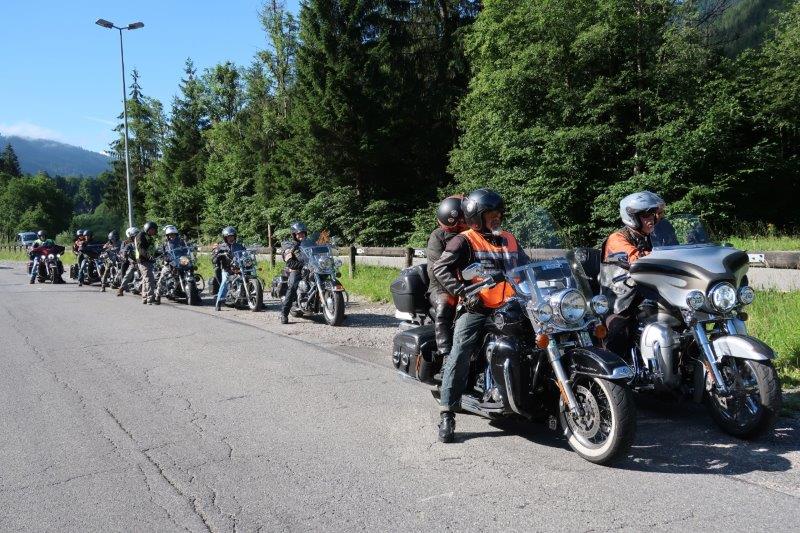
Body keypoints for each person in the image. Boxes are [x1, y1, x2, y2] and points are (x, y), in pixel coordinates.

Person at [431, 188, 528, 443]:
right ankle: (447, 412)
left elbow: (527, 267)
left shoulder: (509, 238)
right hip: (479, 307)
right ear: (476, 218)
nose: (497, 218)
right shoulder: (464, 240)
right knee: (460, 351)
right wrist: (462, 291)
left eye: (499, 213)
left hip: (511, 305)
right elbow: (440, 267)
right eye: (491, 214)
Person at [599, 190, 665, 356]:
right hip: (621, 302)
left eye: (654, 214)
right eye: (645, 215)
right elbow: (636, 259)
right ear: (632, 217)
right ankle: (619, 367)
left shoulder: (655, 236)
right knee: (619, 333)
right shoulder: (617, 238)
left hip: (651, 295)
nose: (651, 219)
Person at [426, 195, 466, 361]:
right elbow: (436, 270)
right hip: (442, 286)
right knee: (445, 304)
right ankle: (446, 355)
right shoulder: (438, 236)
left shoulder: (473, 234)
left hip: (470, 283)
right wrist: (458, 288)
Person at [279, 221, 309, 324]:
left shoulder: (309, 244)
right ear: (294, 235)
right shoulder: (289, 245)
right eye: (298, 234)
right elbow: (289, 262)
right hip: (296, 269)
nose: (301, 235)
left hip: (311, 268)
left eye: (303, 233)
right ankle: (284, 314)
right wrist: (301, 265)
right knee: (292, 287)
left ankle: (337, 310)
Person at [212, 226, 246, 311]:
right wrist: (217, 255)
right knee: (225, 281)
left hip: (239, 268)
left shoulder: (240, 246)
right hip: (227, 269)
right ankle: (219, 301)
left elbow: (245, 254)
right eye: (229, 237)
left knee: (251, 276)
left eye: (232, 236)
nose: (231, 238)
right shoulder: (221, 247)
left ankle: (258, 300)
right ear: (225, 238)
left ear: (235, 237)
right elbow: (214, 259)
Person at [156, 225, 187, 298]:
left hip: (181, 260)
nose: (171, 236)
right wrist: (165, 257)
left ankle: (195, 293)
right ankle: (157, 295)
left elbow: (186, 250)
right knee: (163, 277)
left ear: (176, 234)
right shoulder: (165, 243)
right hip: (170, 262)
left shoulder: (181, 242)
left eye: (173, 234)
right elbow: (161, 252)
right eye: (170, 235)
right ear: (167, 236)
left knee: (190, 271)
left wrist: (189, 252)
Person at [135, 221, 160, 305]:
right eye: (153, 229)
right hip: (143, 260)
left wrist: (161, 253)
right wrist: (148, 256)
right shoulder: (140, 235)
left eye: (155, 230)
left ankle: (145, 298)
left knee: (145, 279)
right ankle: (150, 298)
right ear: (147, 229)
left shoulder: (149, 237)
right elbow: (141, 249)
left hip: (148, 260)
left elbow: (152, 250)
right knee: (149, 279)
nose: (154, 231)